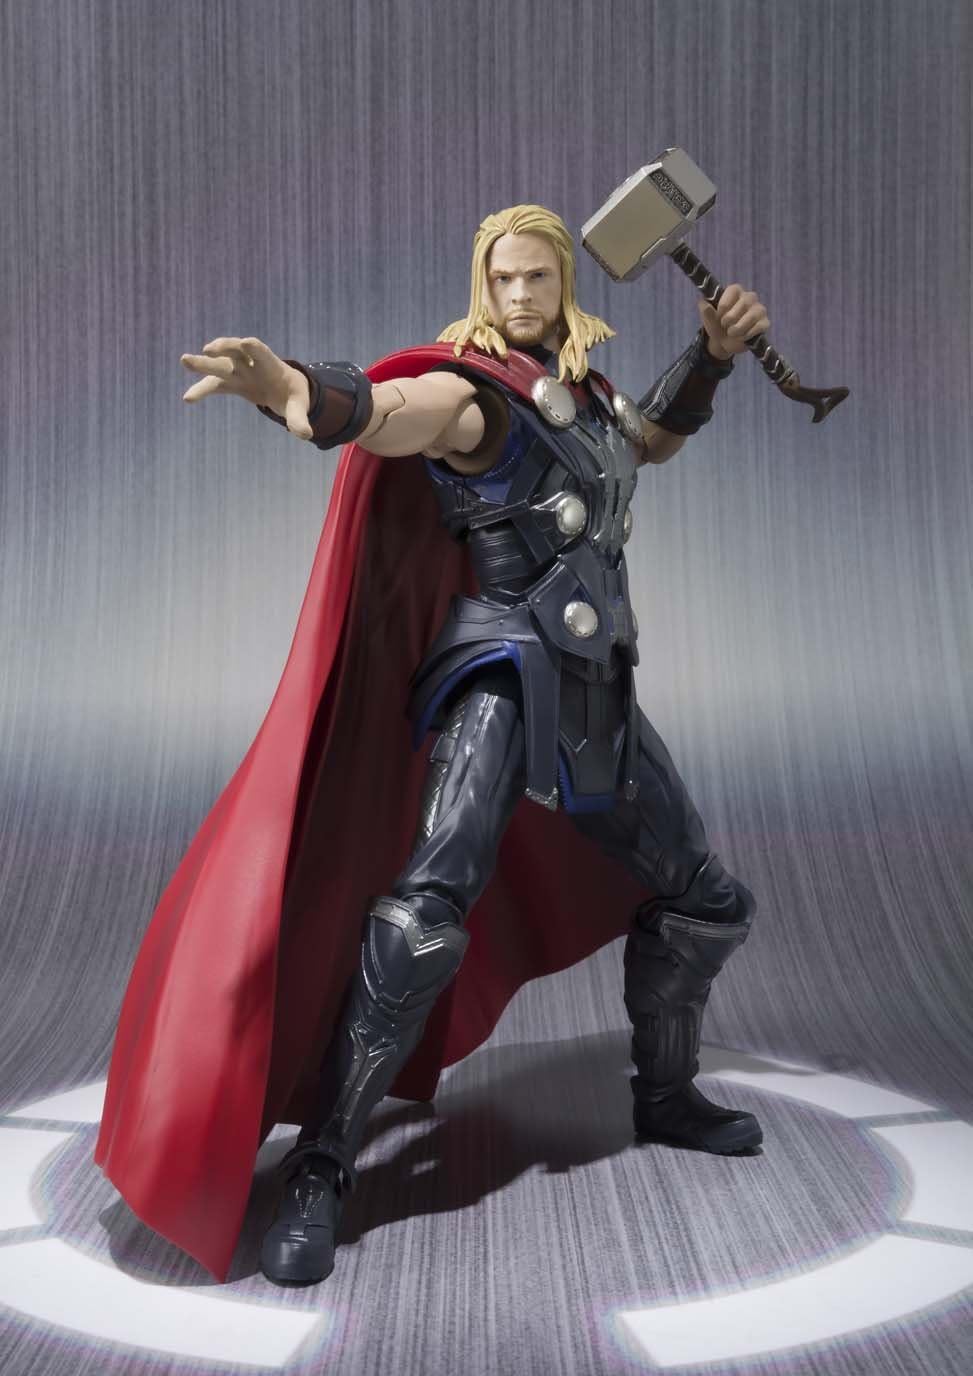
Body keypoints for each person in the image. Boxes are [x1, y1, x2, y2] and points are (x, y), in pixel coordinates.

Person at [95, 204, 769, 1288]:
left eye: (536, 277)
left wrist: (713, 356)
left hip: (594, 689)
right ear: (480, 286)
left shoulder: (584, 398)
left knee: (703, 901)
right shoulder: (474, 396)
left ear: (565, 284)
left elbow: (643, 440)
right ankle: (324, 1163)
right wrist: (292, 387)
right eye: (501, 278)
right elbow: (393, 413)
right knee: (420, 919)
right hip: (498, 677)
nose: (518, 295)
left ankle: (664, 1093)